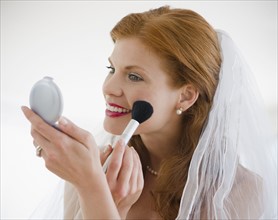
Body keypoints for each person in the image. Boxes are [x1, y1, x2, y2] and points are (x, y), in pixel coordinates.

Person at [22, 5, 277, 220]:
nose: (109, 88)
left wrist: (93, 191)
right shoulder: (96, 167)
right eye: (111, 69)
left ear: (186, 96)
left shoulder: (239, 192)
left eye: (134, 76)